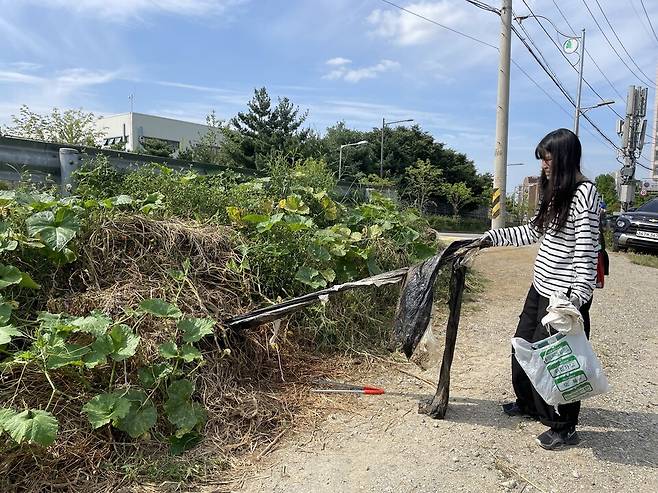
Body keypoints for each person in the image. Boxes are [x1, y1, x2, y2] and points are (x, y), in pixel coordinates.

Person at [479, 128, 601, 450]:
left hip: (563, 298)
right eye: (542, 160)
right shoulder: (553, 192)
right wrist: (490, 238)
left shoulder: (584, 194)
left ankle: (564, 426)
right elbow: (531, 232)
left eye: (547, 158)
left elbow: (587, 252)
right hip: (540, 287)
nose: (543, 165)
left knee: (559, 361)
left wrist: (575, 301)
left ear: (563, 157)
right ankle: (529, 404)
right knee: (523, 346)